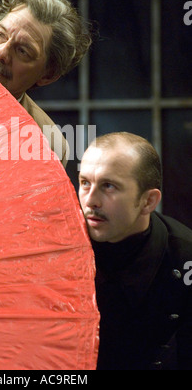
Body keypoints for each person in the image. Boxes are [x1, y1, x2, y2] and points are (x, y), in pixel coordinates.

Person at [78, 131, 192, 370]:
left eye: (108, 186)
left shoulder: (184, 258)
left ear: (148, 201)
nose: (91, 200)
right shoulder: (56, 250)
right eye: (85, 182)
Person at [0, 0, 96, 168]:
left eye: (22, 51)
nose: (1, 53)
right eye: (1, 34)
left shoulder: (47, 145)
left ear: (48, 76)